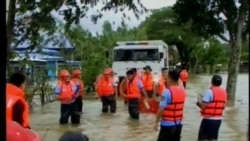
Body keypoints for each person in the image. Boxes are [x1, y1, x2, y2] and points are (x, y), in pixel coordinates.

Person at [154, 69, 186, 141]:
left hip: (167, 125)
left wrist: (156, 122)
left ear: (170, 78)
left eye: (167, 77)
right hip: (178, 125)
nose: (166, 79)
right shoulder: (183, 91)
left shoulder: (166, 92)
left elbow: (161, 109)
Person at [196, 75, 227, 141]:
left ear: (212, 82)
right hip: (218, 120)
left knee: (203, 138)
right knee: (213, 139)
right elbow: (223, 106)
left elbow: (203, 106)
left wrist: (199, 101)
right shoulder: (224, 92)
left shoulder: (209, 91)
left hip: (208, 120)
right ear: (220, 83)